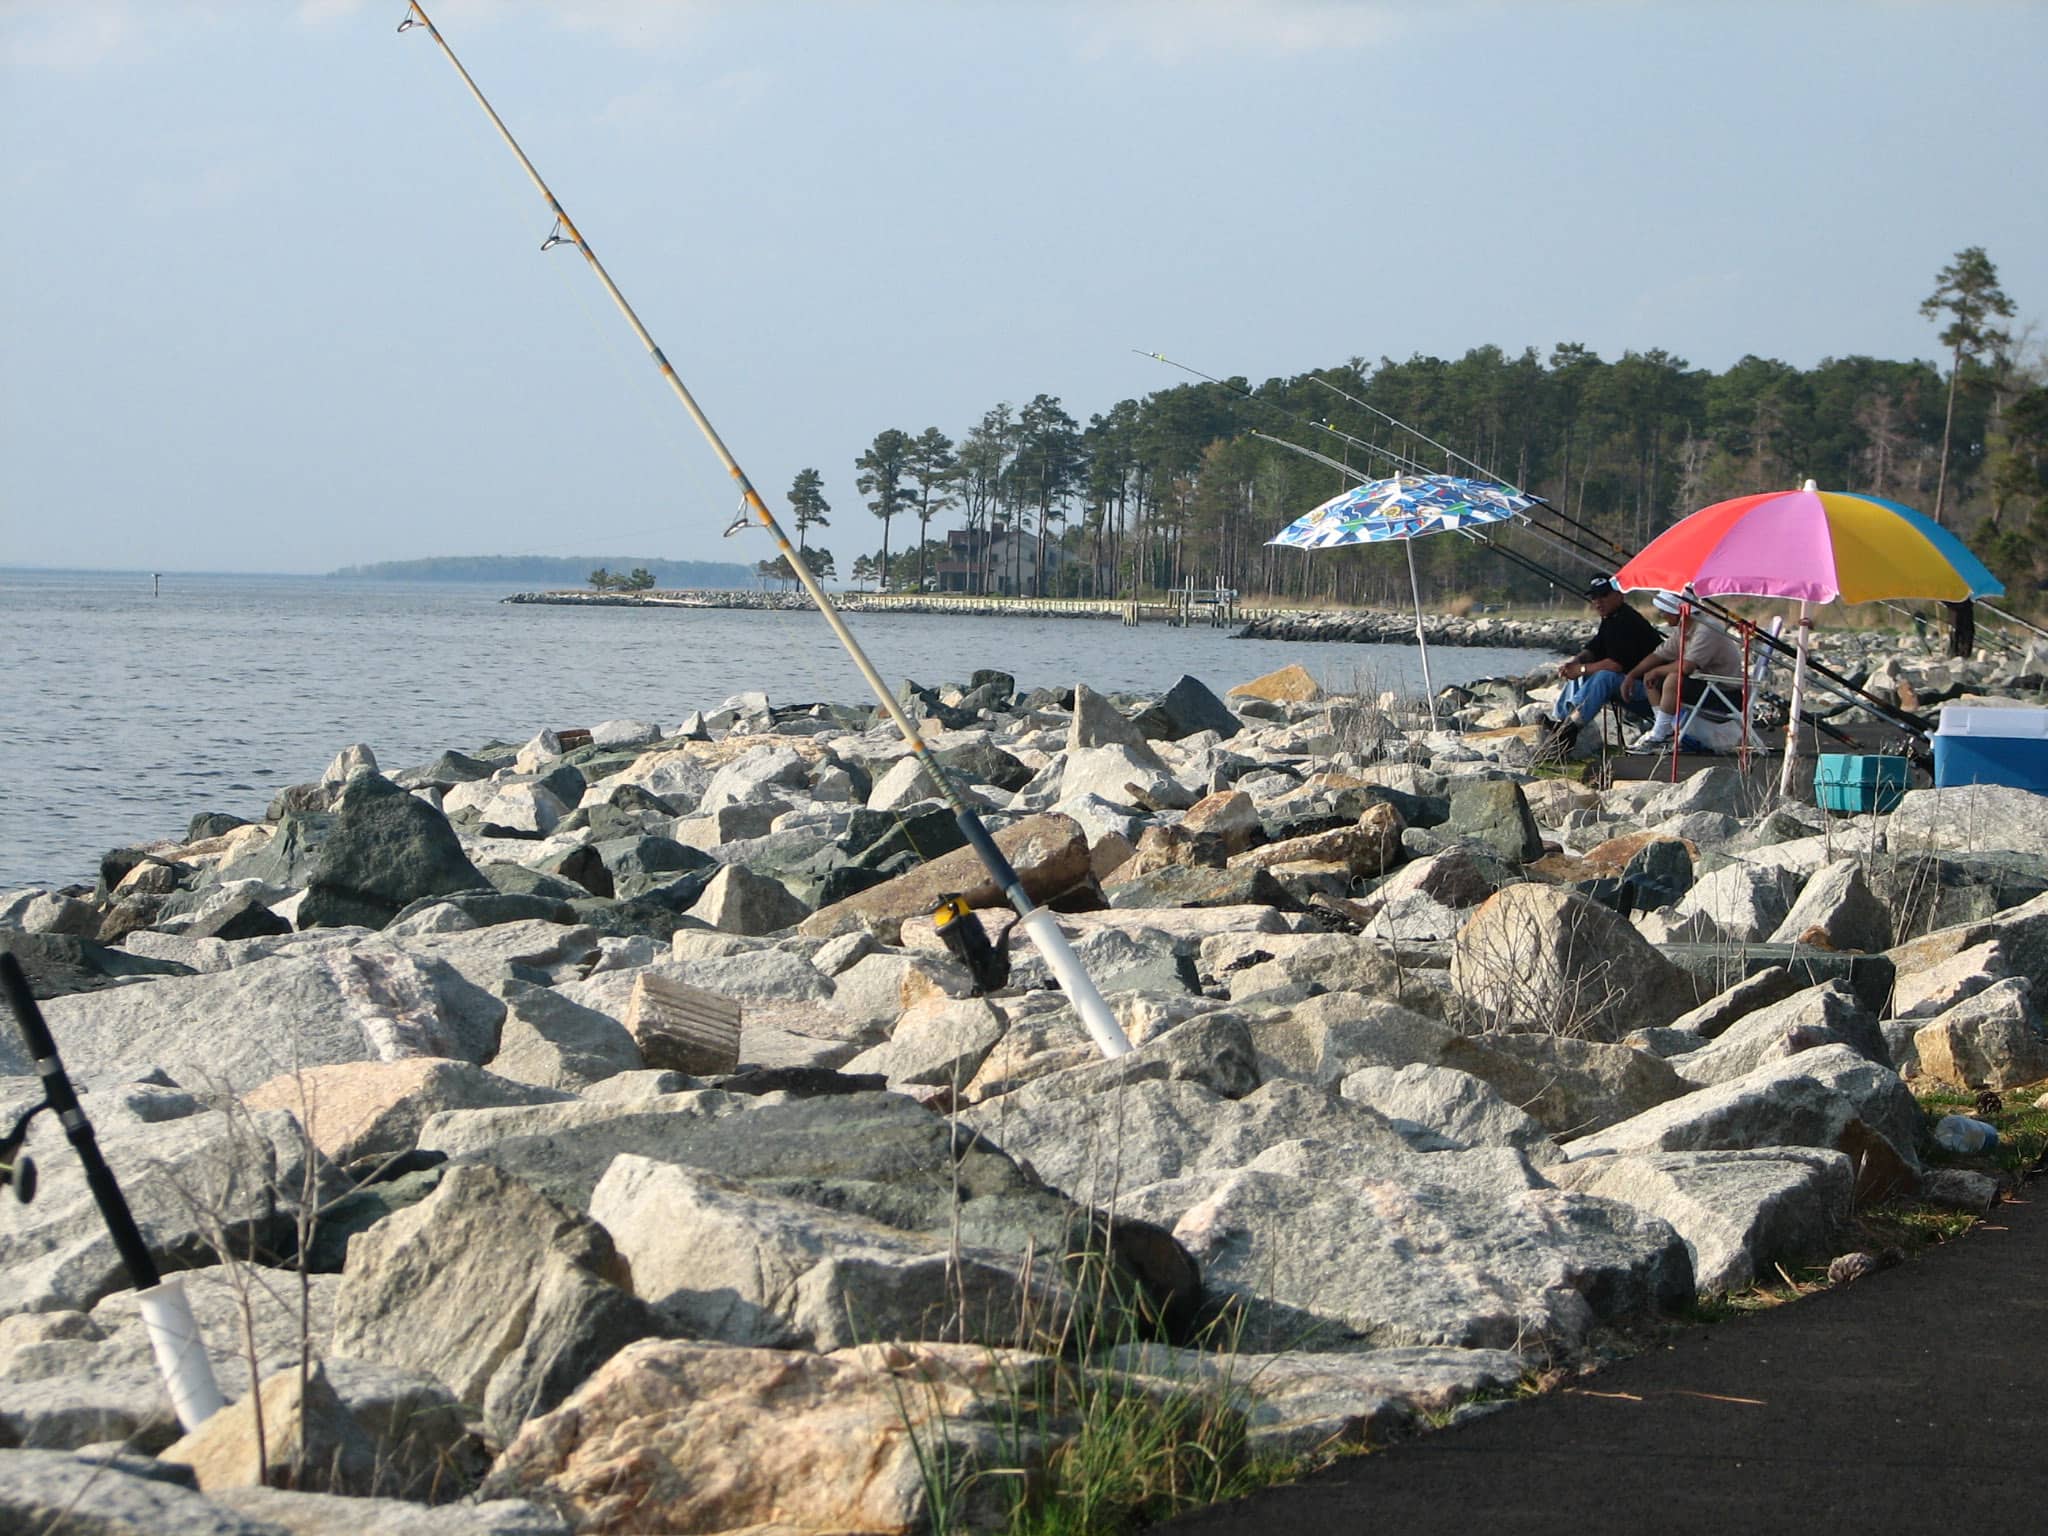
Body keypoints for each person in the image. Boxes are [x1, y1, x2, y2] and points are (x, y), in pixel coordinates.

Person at [1536, 575, 1662, 758]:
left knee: (1604, 677)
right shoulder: (1611, 618)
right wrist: (1576, 662)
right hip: (1629, 684)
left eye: (1603, 595)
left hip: (1650, 689)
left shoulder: (1627, 622)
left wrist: (1580, 669)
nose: (1598, 602)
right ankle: (1562, 722)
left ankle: (1570, 729)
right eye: (1594, 597)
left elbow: (1615, 665)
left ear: (1619, 595)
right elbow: (1595, 647)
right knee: (1584, 669)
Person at [1624, 590, 1746, 752]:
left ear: (1678, 610)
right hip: (1708, 686)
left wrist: (1658, 671)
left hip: (1725, 694)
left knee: (1673, 679)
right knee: (1651, 678)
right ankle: (1664, 730)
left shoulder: (1706, 628)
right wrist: (1632, 675)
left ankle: (1659, 734)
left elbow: (1687, 666)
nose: (1662, 615)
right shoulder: (1685, 628)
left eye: (1664, 611)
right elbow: (1659, 654)